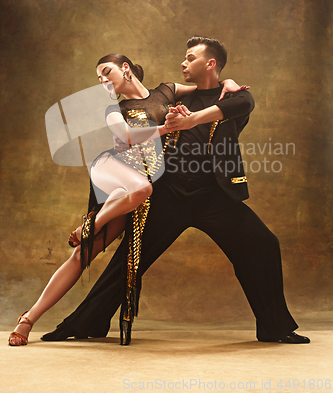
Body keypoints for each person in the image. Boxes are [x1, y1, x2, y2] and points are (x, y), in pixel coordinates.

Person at [40, 36, 310, 346]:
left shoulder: (234, 97)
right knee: (129, 259)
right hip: (169, 193)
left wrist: (195, 116)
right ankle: (85, 322)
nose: (183, 62)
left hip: (215, 196)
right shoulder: (172, 97)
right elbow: (141, 111)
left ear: (211, 64)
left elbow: (238, 105)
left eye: (191, 57)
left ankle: (275, 327)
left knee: (263, 245)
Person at [8, 52, 243, 346]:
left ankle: (27, 318)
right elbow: (128, 137)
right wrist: (166, 128)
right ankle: (85, 231)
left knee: (83, 255)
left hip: (130, 192)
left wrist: (229, 82)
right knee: (142, 188)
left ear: (126, 68)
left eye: (107, 72)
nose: (103, 80)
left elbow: (207, 87)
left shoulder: (166, 91)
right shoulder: (113, 108)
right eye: (99, 78)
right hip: (112, 168)